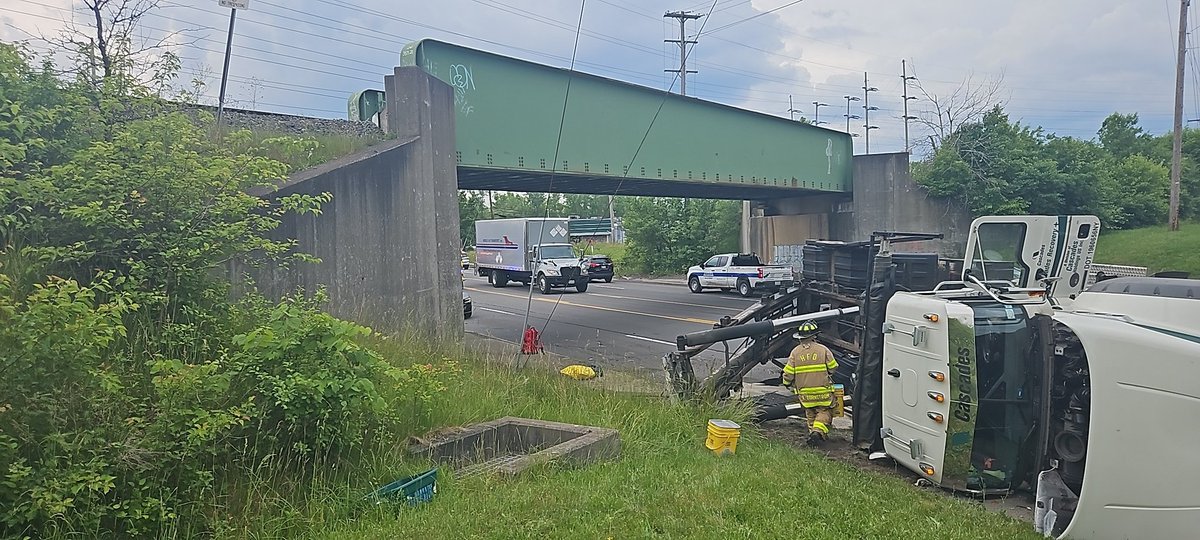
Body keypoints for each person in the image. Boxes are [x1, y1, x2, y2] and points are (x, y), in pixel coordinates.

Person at [781, 321, 839, 446]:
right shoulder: (823, 350)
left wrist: (787, 384)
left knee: (810, 413)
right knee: (825, 412)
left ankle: (814, 437)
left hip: (804, 394)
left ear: (800, 337)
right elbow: (833, 367)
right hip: (823, 392)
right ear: (814, 336)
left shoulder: (795, 352)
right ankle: (817, 432)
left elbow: (788, 373)